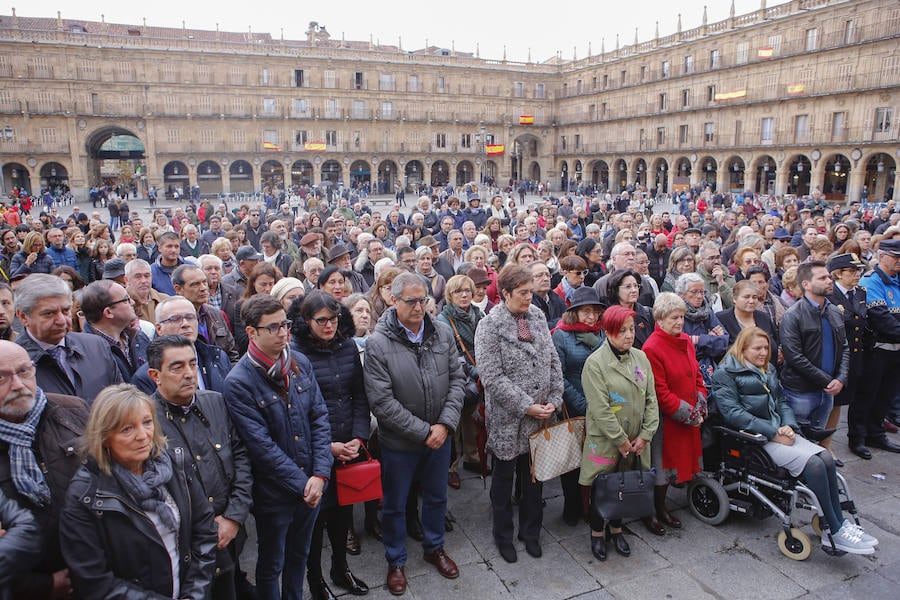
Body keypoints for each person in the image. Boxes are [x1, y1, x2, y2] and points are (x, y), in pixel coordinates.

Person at [711, 328, 879, 555]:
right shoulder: (725, 374)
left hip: (779, 431)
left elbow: (781, 401)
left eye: (766, 348)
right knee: (814, 464)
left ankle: (837, 524)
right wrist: (773, 432)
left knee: (826, 457)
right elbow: (734, 414)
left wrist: (789, 425)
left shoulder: (767, 369)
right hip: (755, 439)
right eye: (757, 349)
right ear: (742, 349)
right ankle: (835, 530)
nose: (763, 353)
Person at [60, 384, 218, 597]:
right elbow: (94, 581)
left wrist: (194, 594)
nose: (143, 436)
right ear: (105, 437)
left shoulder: (173, 464)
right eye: (127, 429)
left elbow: (204, 529)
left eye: (147, 422)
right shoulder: (85, 496)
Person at [223, 294, 333, 600]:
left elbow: (320, 418)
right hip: (275, 494)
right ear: (251, 332)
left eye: (285, 324)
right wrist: (304, 484)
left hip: (312, 482)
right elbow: (261, 447)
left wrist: (321, 474)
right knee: (272, 563)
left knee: (300, 554)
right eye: (273, 328)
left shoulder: (299, 363)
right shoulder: (238, 381)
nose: (283, 333)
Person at [363, 272, 464, 596]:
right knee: (394, 504)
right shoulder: (379, 343)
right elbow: (381, 402)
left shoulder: (442, 333)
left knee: (436, 497)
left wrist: (445, 425)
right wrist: (424, 432)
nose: (419, 307)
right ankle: (395, 560)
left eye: (423, 300)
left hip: (440, 436)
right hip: (400, 443)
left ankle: (434, 547)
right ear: (394, 301)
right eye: (411, 301)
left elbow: (457, 381)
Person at [145, 334, 254, 600]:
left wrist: (233, 517)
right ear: (155, 375)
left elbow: (241, 457)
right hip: (186, 546)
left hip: (228, 532)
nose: (189, 374)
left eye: (192, 364)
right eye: (177, 367)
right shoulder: (145, 419)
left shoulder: (215, 401)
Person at [475, 264, 564, 563]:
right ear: (505, 294)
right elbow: (492, 377)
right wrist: (526, 405)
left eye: (531, 292)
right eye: (523, 293)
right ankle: (503, 536)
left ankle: (531, 532)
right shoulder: (489, 326)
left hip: (541, 416)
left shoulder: (537, 316)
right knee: (504, 480)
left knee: (534, 480)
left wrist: (554, 397)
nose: (529, 298)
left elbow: (552, 359)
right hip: (509, 418)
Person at [287, 292, 370, 600]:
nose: (329, 326)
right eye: (321, 320)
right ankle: (315, 578)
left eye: (333, 319)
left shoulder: (347, 346)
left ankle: (340, 567)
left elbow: (359, 396)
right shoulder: (294, 353)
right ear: (306, 321)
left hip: (348, 442)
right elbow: (296, 412)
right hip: (314, 451)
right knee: (316, 518)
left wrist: (359, 437)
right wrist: (328, 446)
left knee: (342, 514)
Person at [0, 340, 89, 599]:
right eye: (2, 378)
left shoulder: (74, 410)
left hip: (95, 574)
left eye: (24, 371)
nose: (18, 385)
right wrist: (43, 586)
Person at [579, 305, 659, 561]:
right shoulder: (595, 364)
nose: (628, 335)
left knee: (624, 487)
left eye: (632, 329)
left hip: (637, 439)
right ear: (608, 331)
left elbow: (651, 399)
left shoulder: (640, 357)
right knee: (603, 489)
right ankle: (596, 533)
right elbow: (600, 409)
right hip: (606, 441)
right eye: (621, 330)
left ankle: (616, 529)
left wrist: (646, 434)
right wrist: (621, 441)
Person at [643, 292, 708, 531]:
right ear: (659, 320)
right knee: (662, 469)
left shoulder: (685, 341)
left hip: (688, 415)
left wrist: (701, 402)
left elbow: (698, 374)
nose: (679, 322)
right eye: (673, 318)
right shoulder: (652, 347)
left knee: (674, 468)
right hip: (668, 421)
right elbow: (660, 392)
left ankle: (661, 507)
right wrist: (690, 415)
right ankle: (655, 509)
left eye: (681, 316)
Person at [15, 273, 123, 403]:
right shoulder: (11, 367)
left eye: (66, 311)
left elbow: (121, 403)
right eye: (49, 313)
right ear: (23, 317)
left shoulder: (97, 347)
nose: (61, 320)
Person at [551, 286, 606, 526]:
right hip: (574, 405)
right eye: (586, 312)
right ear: (574, 312)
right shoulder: (561, 335)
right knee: (572, 461)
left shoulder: (602, 333)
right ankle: (572, 506)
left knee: (599, 458)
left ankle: (596, 505)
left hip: (601, 405)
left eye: (595, 312)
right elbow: (558, 376)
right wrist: (582, 403)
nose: (591, 317)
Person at [779, 261, 849, 433]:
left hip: (827, 391)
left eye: (829, 277)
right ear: (806, 284)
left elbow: (844, 347)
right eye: (822, 278)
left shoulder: (834, 311)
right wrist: (829, 381)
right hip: (801, 392)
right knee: (797, 439)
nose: (829, 280)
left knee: (818, 433)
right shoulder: (793, 315)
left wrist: (841, 378)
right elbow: (794, 356)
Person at [436, 274, 486, 489]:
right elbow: (454, 355)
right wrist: (478, 372)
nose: (464, 294)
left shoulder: (479, 313)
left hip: (479, 372)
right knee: (453, 423)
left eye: (467, 290)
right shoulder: (444, 320)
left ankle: (473, 458)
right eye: (458, 291)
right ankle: (451, 468)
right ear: (450, 294)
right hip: (456, 377)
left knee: (471, 418)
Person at [853, 239, 900, 457]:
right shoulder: (871, 282)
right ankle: (857, 438)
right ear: (882, 257)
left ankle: (876, 433)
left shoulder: (897, 280)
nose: (899, 261)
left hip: (895, 351)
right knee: (866, 395)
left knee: (886, 395)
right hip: (876, 350)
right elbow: (883, 321)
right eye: (895, 257)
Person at [131, 296, 233, 395]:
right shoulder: (145, 377)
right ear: (159, 329)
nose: (185, 324)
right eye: (175, 319)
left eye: (190, 317)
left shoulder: (218, 357)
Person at [79, 280, 149, 381]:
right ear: (108, 312)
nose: (133, 302)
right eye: (126, 300)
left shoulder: (137, 337)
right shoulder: (88, 353)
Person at [676, 272, 729, 391]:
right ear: (682, 295)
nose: (700, 296)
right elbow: (683, 349)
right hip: (686, 373)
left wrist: (698, 339)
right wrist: (709, 339)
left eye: (702, 292)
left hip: (710, 369)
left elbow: (723, 342)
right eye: (694, 292)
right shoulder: (676, 315)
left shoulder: (707, 312)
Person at [716, 280, 778, 351]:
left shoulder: (764, 318)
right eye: (746, 297)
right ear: (734, 299)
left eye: (754, 297)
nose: (751, 301)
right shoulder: (721, 319)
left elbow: (774, 344)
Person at [606, 269, 655, 349]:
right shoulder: (610, 316)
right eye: (628, 287)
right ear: (616, 290)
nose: (634, 290)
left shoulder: (648, 313)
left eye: (636, 286)